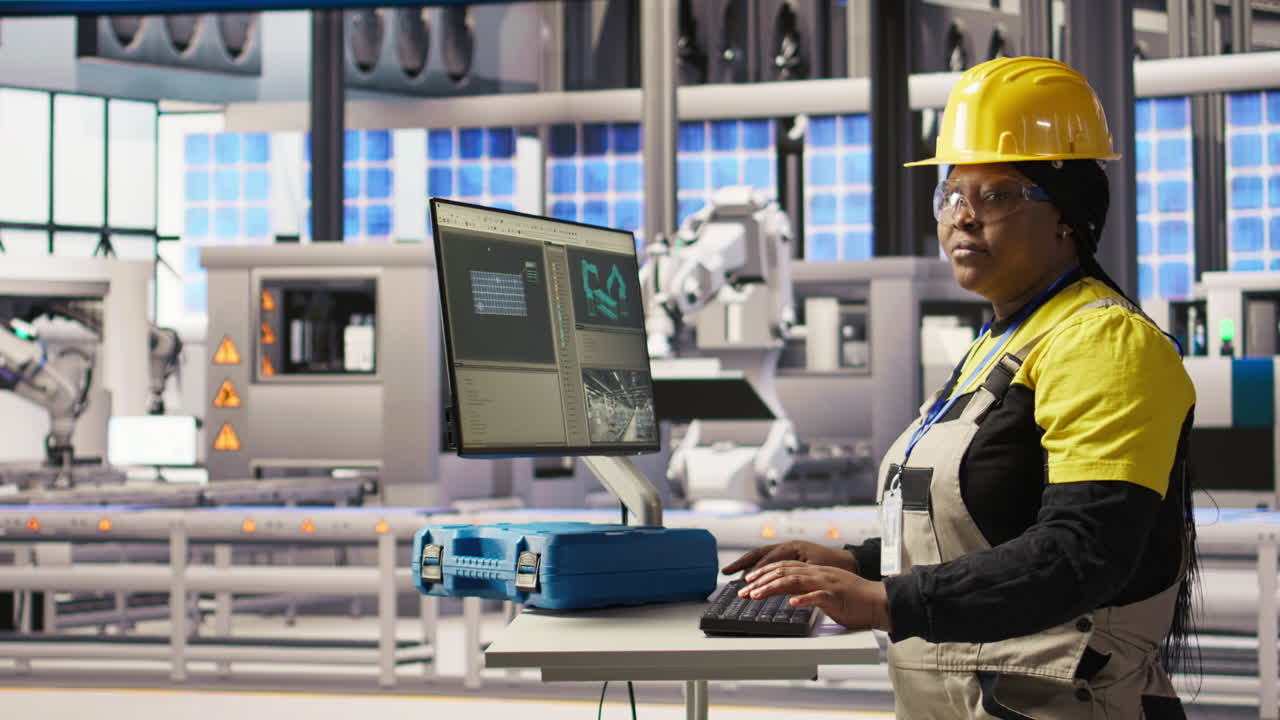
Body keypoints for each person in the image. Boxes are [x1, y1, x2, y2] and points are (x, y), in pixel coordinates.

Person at [723, 56, 1198, 719]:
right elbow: (983, 532)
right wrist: (856, 563)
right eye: (950, 194)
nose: (962, 217)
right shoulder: (1000, 342)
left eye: (997, 194)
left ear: (1069, 214)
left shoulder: (1104, 343)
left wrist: (886, 601)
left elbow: (1080, 553)